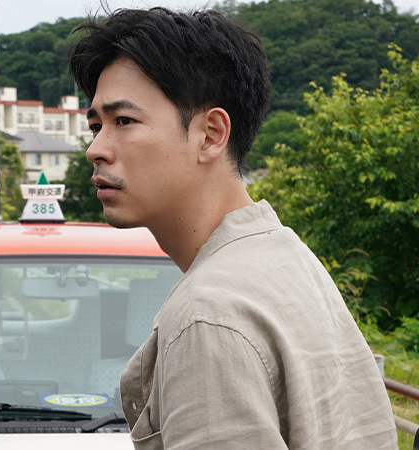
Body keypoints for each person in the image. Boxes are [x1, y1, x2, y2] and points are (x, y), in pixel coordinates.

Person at [68, 7, 397, 449]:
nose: (95, 148)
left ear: (211, 134)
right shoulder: (287, 257)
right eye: (96, 125)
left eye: (123, 121)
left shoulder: (207, 314)